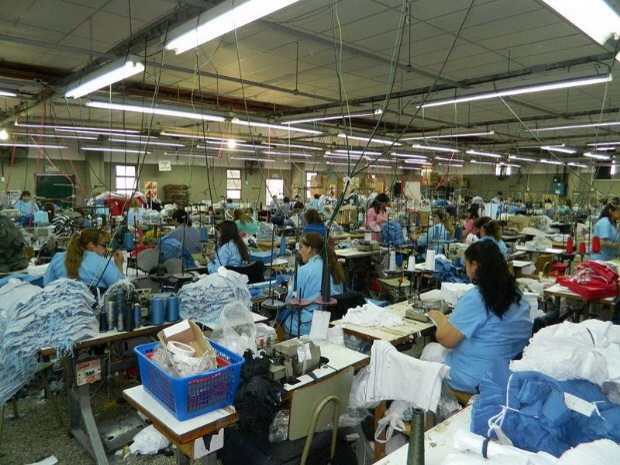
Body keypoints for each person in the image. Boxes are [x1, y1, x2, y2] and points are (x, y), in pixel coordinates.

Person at [425, 240, 532, 398]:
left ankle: (428, 406)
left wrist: (440, 319)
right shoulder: (518, 295)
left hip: (475, 379)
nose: (465, 270)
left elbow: (445, 339)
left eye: (466, 265)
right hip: (505, 374)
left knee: (429, 351)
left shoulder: (477, 297)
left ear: (475, 265)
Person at [277, 232, 345, 336]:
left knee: (278, 312)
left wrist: (290, 287)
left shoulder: (305, 270)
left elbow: (290, 302)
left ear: (309, 249)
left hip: (307, 326)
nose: (299, 251)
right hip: (331, 323)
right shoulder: (334, 268)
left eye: (301, 247)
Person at [44, 227, 124, 289]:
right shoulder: (104, 264)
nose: (106, 249)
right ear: (91, 245)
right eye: (104, 245)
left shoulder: (58, 258)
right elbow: (121, 288)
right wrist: (119, 266)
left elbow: (47, 285)